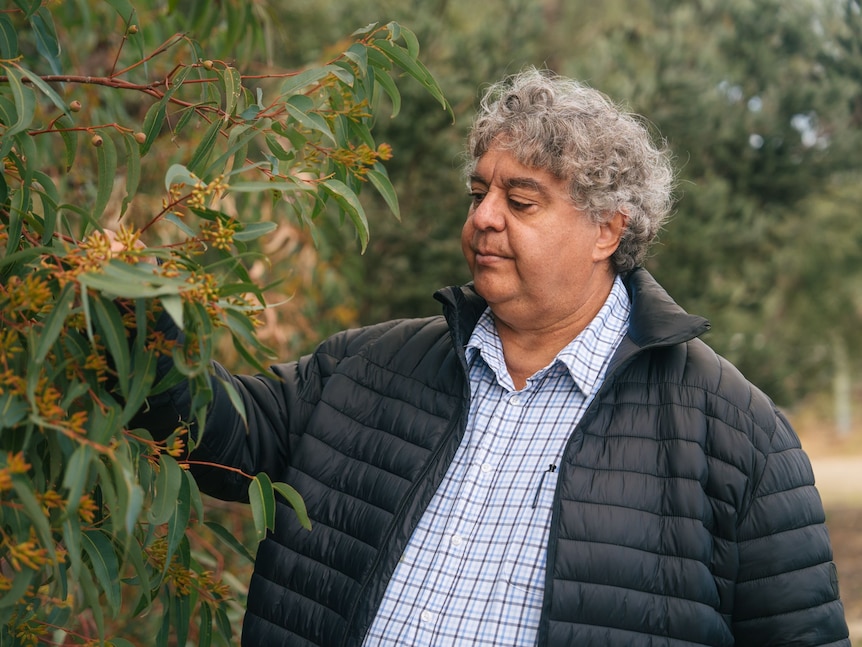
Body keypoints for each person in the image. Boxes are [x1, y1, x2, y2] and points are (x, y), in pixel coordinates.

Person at [134, 68, 850, 646]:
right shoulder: (370, 365)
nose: (482, 216)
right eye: (479, 191)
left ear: (607, 229)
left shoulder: (736, 433)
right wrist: (133, 320)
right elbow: (213, 432)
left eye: (522, 200)